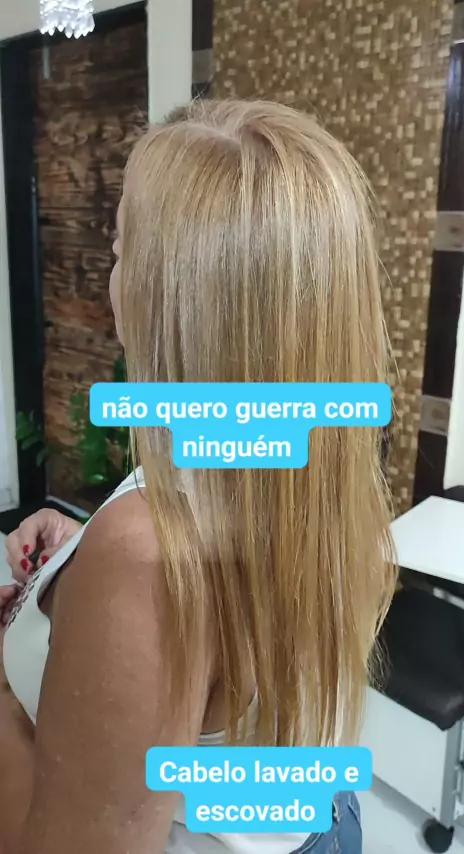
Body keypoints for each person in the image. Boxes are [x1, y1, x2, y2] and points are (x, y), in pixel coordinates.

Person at [0, 99, 396, 854]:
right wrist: (75, 564)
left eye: (120, 249)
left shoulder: (148, 552)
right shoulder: (311, 465)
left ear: (169, 300)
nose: (111, 275)